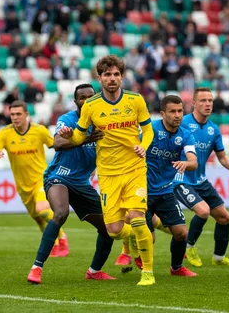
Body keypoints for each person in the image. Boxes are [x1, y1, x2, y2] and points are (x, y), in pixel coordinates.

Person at [58, 55, 156, 286]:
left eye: (116, 74)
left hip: (134, 168)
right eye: (107, 75)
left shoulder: (136, 100)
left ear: (122, 76)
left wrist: (143, 146)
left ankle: (148, 273)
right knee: (113, 230)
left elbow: (149, 130)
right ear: (99, 78)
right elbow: (81, 135)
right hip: (108, 173)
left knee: (138, 218)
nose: (112, 79)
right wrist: (69, 135)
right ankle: (133, 239)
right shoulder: (91, 106)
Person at [28, 84, 115, 284]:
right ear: (76, 102)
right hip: (59, 176)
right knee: (61, 213)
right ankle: (36, 268)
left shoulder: (104, 122)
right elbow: (57, 143)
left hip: (82, 183)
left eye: (90, 97)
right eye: (81, 98)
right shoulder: (67, 120)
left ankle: (94, 270)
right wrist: (85, 138)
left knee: (109, 228)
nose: (86, 101)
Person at [0, 100, 69, 255]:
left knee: (42, 209)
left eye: (18, 114)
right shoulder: (5, 133)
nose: (15, 118)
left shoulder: (39, 130)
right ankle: (53, 244)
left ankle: (62, 237)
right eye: (12, 114)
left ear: (26, 115)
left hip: (42, 179)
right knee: (37, 218)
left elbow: (57, 145)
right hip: (23, 186)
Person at [174, 88, 229, 268]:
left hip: (200, 180)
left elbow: (223, 157)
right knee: (203, 211)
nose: (208, 104)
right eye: (202, 100)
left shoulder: (213, 129)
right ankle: (188, 247)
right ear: (193, 103)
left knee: (224, 217)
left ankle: (219, 257)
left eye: (210, 100)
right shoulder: (182, 124)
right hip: (181, 180)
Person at [142, 95, 198, 277]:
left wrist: (186, 164)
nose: (177, 115)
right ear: (162, 113)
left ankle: (176, 268)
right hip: (143, 190)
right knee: (149, 238)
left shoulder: (185, 135)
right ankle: (135, 251)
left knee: (182, 233)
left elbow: (194, 162)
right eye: (172, 111)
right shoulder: (150, 129)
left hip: (165, 190)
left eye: (180, 111)